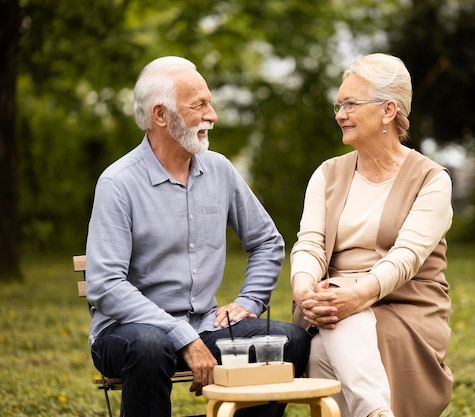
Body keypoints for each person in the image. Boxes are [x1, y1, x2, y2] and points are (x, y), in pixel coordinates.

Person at [85, 56, 310, 417]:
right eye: (199, 105)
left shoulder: (220, 170)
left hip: (205, 327)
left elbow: (267, 241)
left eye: (210, 102)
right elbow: (105, 285)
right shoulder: (118, 183)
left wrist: (250, 301)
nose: (213, 115)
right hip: (128, 334)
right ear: (161, 115)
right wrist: (182, 336)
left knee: (290, 341)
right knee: (149, 345)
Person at [291, 53, 453, 417]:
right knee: (330, 327)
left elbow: (406, 257)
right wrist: (304, 290)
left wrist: (355, 294)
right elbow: (310, 243)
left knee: (328, 336)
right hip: (331, 302)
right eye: (338, 105)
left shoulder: (431, 179)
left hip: (405, 306)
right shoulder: (327, 174)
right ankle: (377, 412)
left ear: (388, 110)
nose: (340, 114)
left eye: (350, 103)